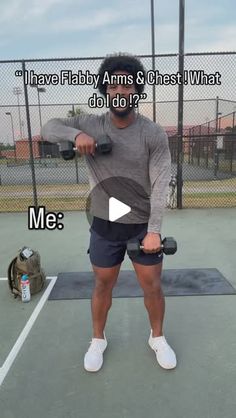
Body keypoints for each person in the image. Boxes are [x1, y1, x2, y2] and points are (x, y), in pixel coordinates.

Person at [41, 53, 177, 372]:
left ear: (136, 90)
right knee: (103, 283)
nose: (120, 91)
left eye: (126, 85)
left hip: (142, 224)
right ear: (105, 90)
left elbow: (160, 183)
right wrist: (77, 136)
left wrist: (155, 228)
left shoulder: (152, 133)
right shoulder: (90, 122)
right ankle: (98, 339)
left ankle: (157, 337)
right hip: (104, 222)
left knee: (152, 285)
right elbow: (48, 127)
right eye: (113, 85)